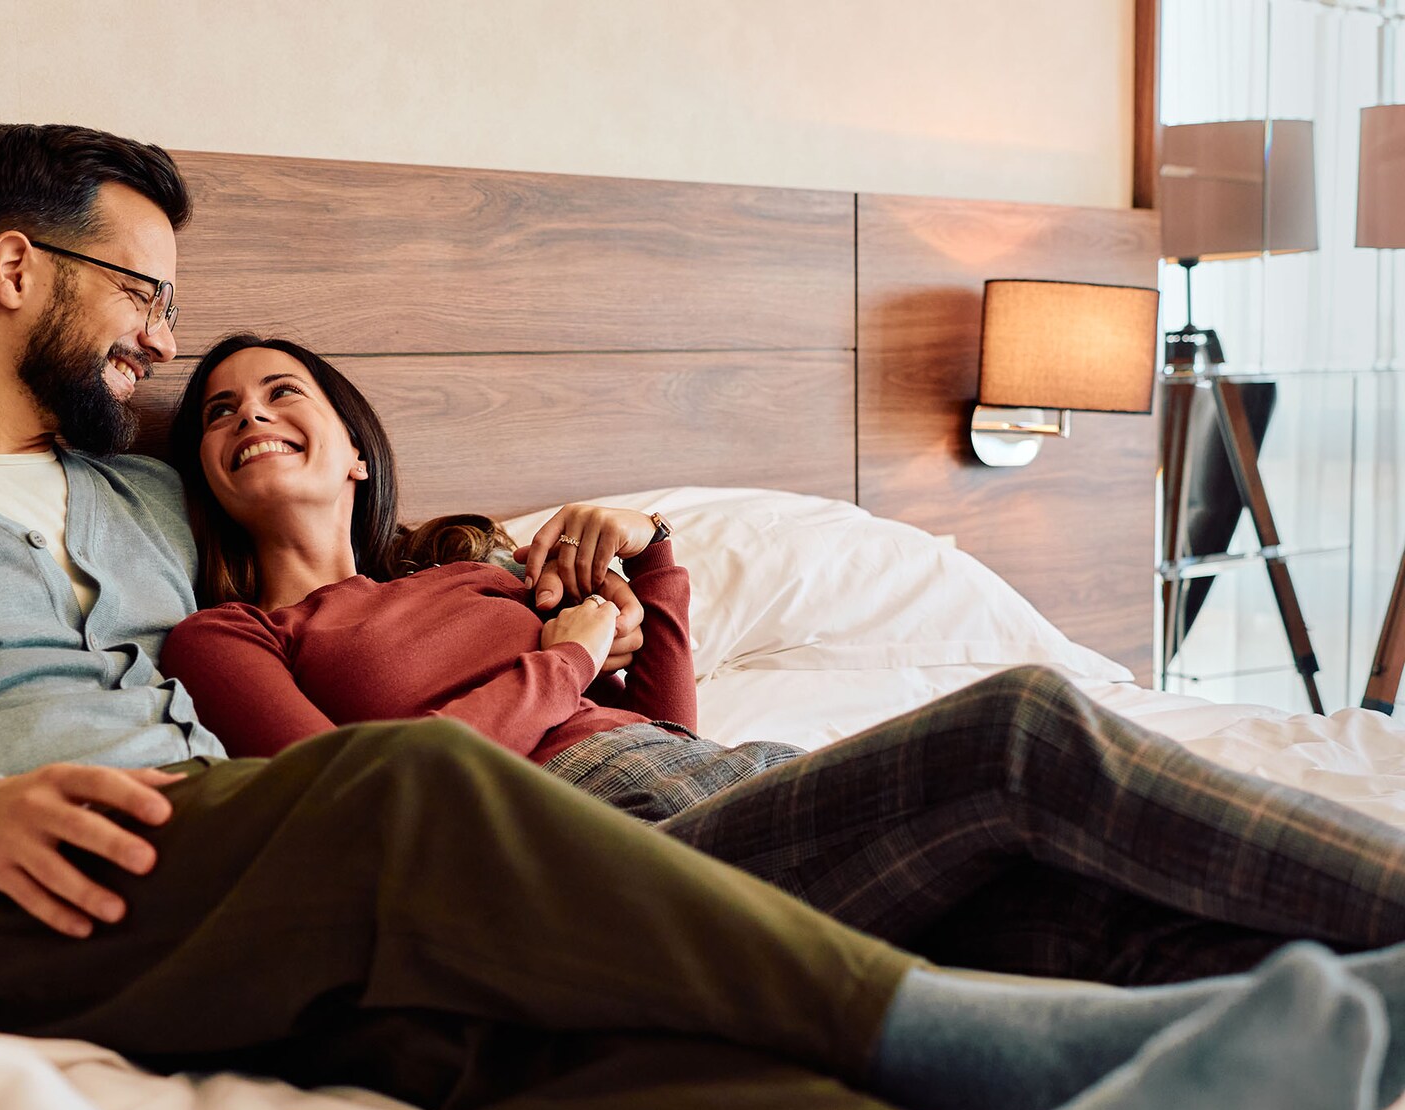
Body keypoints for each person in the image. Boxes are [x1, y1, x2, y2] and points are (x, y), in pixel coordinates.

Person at [0, 121, 1400, 1110]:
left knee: (504, 1048)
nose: (162, 348)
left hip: (227, 878)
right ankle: (975, 1038)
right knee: (397, 786)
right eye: (144, 297)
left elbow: (343, 567)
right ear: (13, 271)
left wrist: (601, 578)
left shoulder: (134, 505)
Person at [160, 332, 1405, 991]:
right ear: (204, 474)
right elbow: (355, 808)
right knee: (1019, 732)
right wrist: (562, 660)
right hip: (589, 853)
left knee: (1092, 935)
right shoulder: (230, 639)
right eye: (217, 411)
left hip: (721, 785)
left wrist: (645, 567)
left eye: (280, 392)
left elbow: (668, 718)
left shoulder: (469, 567)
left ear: (353, 448)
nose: (249, 415)